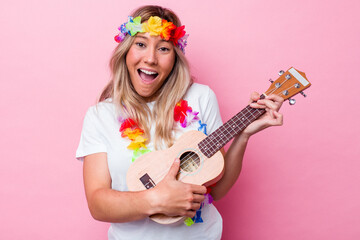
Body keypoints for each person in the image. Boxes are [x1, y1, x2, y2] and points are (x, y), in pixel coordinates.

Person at [76, 5, 284, 240]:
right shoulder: (100, 116)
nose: (151, 58)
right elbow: (97, 204)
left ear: (175, 58)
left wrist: (243, 135)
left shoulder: (201, 97)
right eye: (141, 44)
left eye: (163, 48)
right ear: (126, 51)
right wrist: (157, 199)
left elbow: (219, 186)